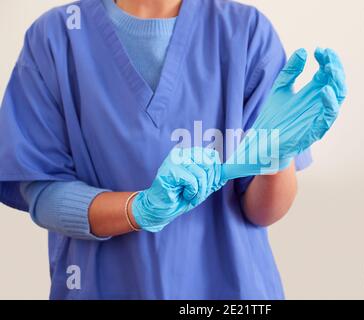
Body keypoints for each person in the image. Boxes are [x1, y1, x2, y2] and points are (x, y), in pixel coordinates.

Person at [0, 0, 315, 299]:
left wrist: (277, 154)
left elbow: (262, 212)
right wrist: (137, 209)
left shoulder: (246, 33)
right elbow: (43, 195)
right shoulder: (56, 38)